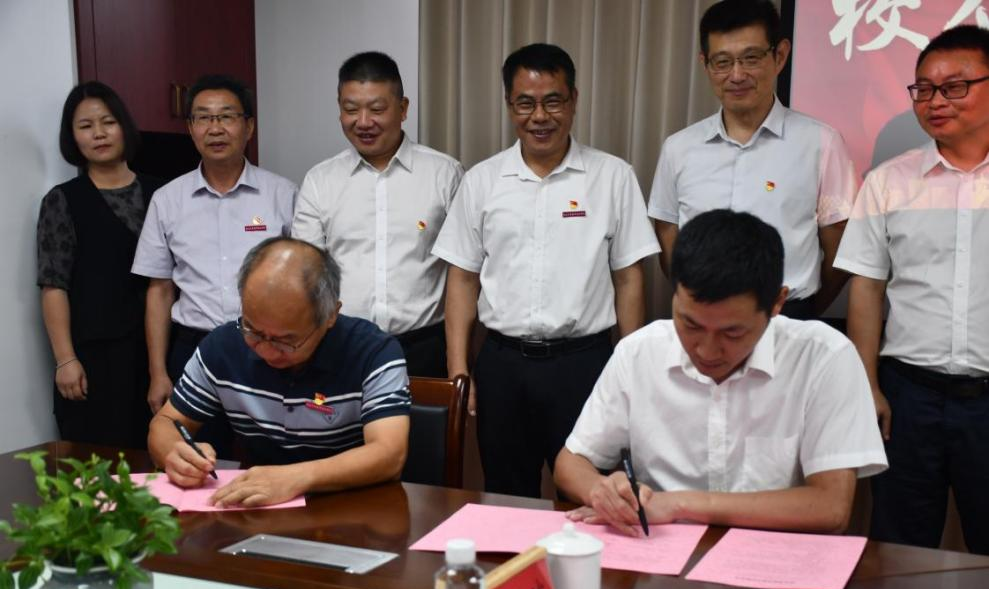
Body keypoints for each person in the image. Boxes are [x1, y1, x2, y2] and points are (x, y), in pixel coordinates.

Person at [555, 209, 887, 536]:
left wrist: (678, 504)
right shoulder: (639, 352)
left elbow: (831, 507)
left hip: (775, 555)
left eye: (732, 333)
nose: (707, 350)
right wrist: (601, 490)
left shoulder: (824, 357)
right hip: (662, 552)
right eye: (691, 324)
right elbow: (571, 462)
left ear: (777, 302)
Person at [433, 43, 660, 497]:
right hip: (503, 365)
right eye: (525, 103)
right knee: (505, 494)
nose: (539, 116)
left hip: (584, 364)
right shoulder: (482, 181)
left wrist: (628, 367)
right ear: (509, 105)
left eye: (553, 101)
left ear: (574, 100)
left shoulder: (613, 177)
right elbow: (462, 278)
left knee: (588, 496)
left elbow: (628, 277)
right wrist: (460, 370)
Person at [835, 25, 989, 555]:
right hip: (909, 397)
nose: (935, 101)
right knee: (899, 548)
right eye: (923, 88)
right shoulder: (889, 181)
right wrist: (868, 385)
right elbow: (866, 288)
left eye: (954, 86)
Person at [148, 237, 410, 507]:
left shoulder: (373, 353)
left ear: (330, 315)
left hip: (352, 508)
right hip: (258, 508)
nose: (267, 351)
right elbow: (165, 422)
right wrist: (174, 454)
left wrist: (297, 477)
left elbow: (389, 454)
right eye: (253, 331)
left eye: (286, 341)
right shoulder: (223, 346)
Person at [648, 0, 856, 319]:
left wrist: (804, 310)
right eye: (722, 62)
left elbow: (838, 242)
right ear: (705, 64)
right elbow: (667, 232)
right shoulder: (679, 148)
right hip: (702, 315)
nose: (737, 75)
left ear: (780, 56)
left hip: (787, 315)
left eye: (751, 58)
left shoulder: (821, 142)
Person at [132, 74, 297, 456]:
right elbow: (159, 290)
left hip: (268, 349)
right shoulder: (168, 200)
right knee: (197, 461)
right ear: (191, 128)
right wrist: (158, 372)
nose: (215, 128)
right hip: (194, 348)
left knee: (273, 459)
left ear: (248, 126)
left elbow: (302, 281)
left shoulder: (282, 194)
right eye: (204, 118)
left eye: (226, 116)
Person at [293, 52, 463, 377]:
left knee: (423, 413)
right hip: (341, 344)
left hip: (424, 346)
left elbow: (463, 272)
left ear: (403, 108)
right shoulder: (320, 180)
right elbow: (306, 272)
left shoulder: (445, 174)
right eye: (351, 109)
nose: (363, 122)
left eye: (377, 109)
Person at [37, 81, 164, 447]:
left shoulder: (163, 193)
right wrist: (65, 359)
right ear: (72, 137)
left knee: (162, 461)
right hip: (95, 359)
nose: (99, 134)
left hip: (158, 354)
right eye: (85, 126)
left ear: (124, 126)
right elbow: (53, 284)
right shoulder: (63, 200)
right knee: (96, 465)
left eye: (108, 122)